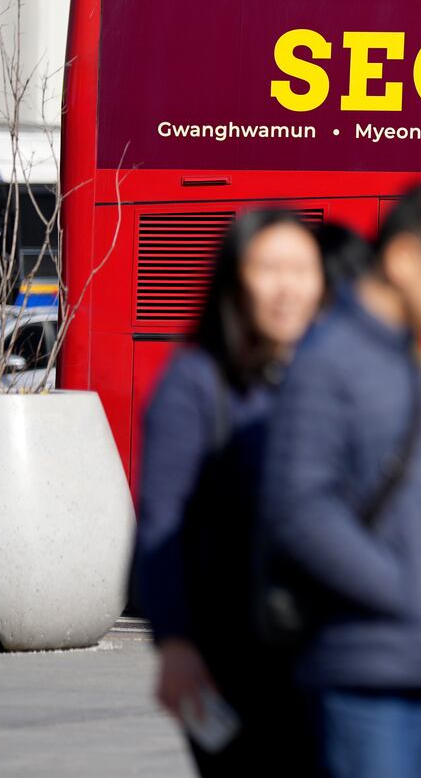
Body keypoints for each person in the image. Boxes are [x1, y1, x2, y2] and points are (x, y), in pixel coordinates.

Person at [261, 186, 421, 778]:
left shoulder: (405, 359)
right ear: (405, 259)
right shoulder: (328, 359)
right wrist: (402, 590)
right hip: (367, 678)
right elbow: (298, 509)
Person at [133, 209, 327, 776]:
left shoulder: (322, 378)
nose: (287, 287)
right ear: (233, 278)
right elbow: (161, 523)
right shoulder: (196, 383)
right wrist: (175, 645)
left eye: (302, 269)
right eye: (268, 268)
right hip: (231, 658)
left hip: (321, 652)